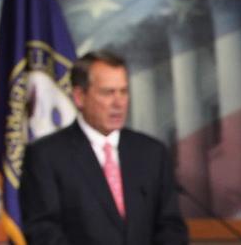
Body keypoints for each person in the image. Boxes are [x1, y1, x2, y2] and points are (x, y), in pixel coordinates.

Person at [21, 50, 189, 245]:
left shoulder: (152, 152)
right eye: (108, 92)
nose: (119, 103)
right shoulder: (46, 156)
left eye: (124, 91)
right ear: (79, 97)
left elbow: (171, 226)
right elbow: (43, 233)